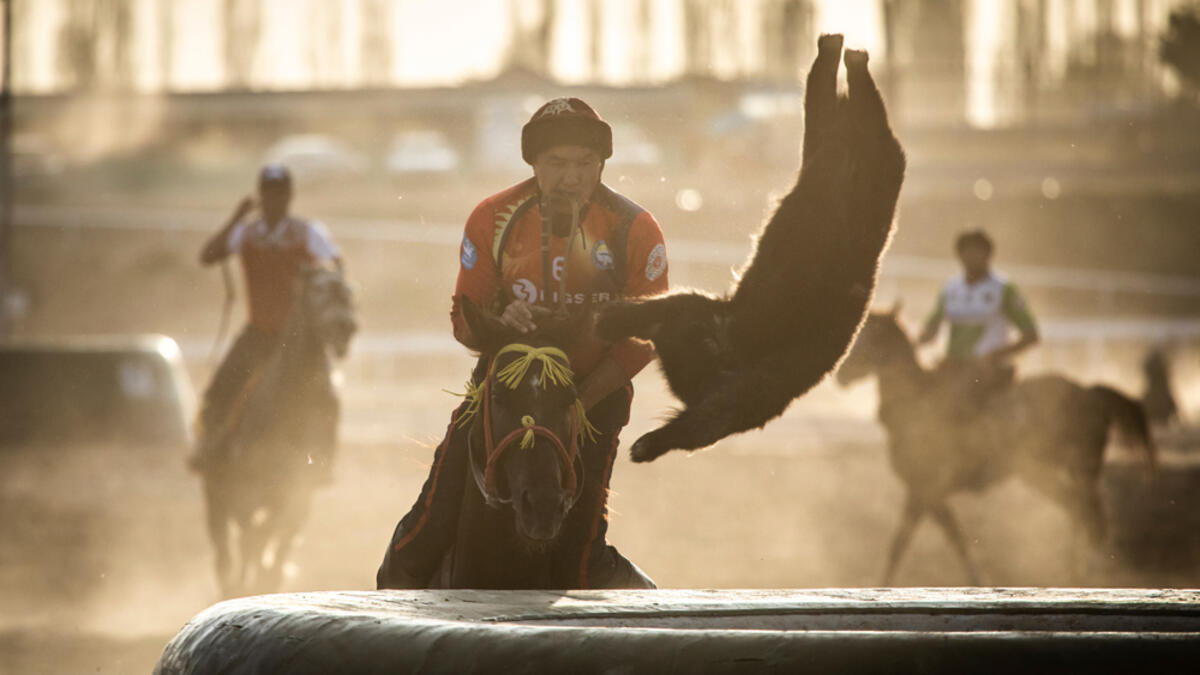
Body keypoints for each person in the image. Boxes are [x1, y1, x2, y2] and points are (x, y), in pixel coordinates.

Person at [377, 97, 669, 589]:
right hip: (504, 392)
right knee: (418, 542)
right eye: (556, 163)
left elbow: (645, 338)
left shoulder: (635, 229)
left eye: (584, 164)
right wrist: (498, 319)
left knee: (582, 560)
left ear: (602, 164)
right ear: (533, 163)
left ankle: (650, 626)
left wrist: (579, 402)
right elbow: (463, 322)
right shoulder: (493, 218)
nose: (571, 177)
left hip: (591, 394)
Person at [188, 164, 343, 476]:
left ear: (290, 196)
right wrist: (235, 217)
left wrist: (316, 284)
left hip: (299, 339)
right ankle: (208, 449)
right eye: (269, 194)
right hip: (259, 333)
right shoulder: (246, 233)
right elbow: (208, 256)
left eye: (280, 194)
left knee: (327, 396)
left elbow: (337, 267)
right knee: (218, 389)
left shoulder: (308, 233)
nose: (275, 200)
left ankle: (323, 460)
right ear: (261, 197)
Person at [918, 229, 1039, 407]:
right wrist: (913, 343)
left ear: (989, 254)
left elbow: (1031, 336)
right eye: (966, 252)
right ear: (959, 255)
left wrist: (996, 355)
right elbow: (930, 329)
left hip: (990, 372)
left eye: (977, 252)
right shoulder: (951, 289)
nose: (971, 257)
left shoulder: (1003, 289)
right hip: (953, 368)